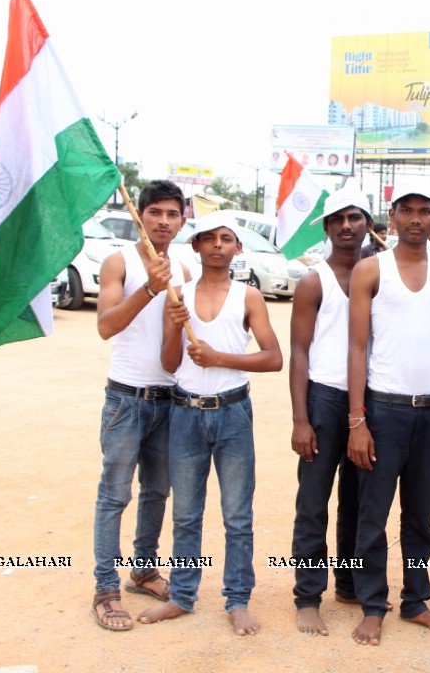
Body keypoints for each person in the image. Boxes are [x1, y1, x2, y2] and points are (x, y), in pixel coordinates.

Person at [141, 212, 283, 634]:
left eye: (227, 239)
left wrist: (220, 358)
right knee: (185, 514)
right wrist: (172, 326)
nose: (218, 245)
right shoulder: (177, 294)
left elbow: (273, 358)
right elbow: (169, 363)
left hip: (233, 413)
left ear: (239, 248)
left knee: (237, 514)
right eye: (209, 238)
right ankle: (182, 595)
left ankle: (237, 599)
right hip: (184, 413)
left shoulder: (248, 297)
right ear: (197, 246)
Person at [346, 182, 430, 646]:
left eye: (425, 211)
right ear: (392, 215)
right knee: (372, 514)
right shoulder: (369, 270)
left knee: (420, 513)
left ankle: (416, 601)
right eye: (407, 211)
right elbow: (358, 347)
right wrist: (357, 420)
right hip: (384, 410)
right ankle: (373, 605)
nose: (416, 219)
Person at [89, 181, 191, 631]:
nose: (163, 221)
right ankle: (105, 588)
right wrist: (149, 288)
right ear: (142, 215)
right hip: (126, 399)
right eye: (156, 213)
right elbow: (105, 326)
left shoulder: (187, 264)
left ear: (183, 219)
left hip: (171, 398)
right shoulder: (120, 261)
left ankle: (144, 569)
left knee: (157, 492)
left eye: (172, 214)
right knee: (114, 494)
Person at [288, 189, 372, 635]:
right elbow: (299, 353)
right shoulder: (313, 280)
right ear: (326, 227)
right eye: (337, 219)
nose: (346, 226)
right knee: (314, 502)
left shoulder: (379, 274)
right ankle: (307, 595)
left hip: (367, 403)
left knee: (358, 502)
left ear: (367, 223)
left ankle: (350, 583)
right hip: (323, 399)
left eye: (354, 217)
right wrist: (301, 419)